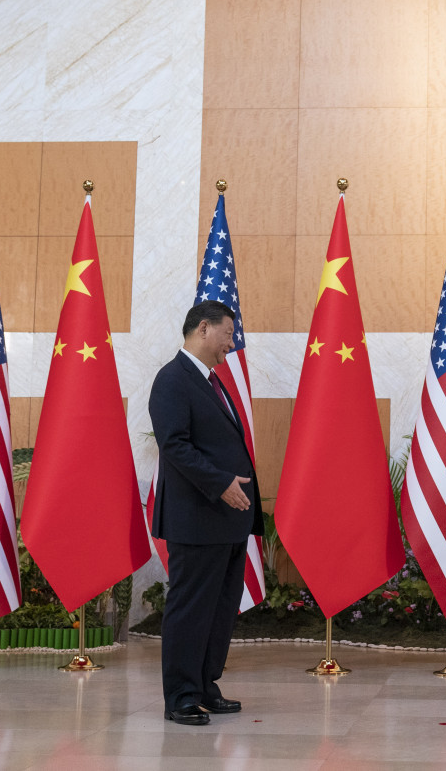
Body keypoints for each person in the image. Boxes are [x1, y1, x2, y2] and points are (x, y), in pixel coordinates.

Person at [149, 300, 263, 726]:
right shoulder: (172, 380)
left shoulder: (212, 382)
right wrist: (221, 484)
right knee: (190, 609)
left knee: (217, 612)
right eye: (228, 334)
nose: (231, 345)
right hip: (196, 519)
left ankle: (204, 686)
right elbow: (175, 445)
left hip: (226, 520)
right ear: (203, 328)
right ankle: (179, 696)